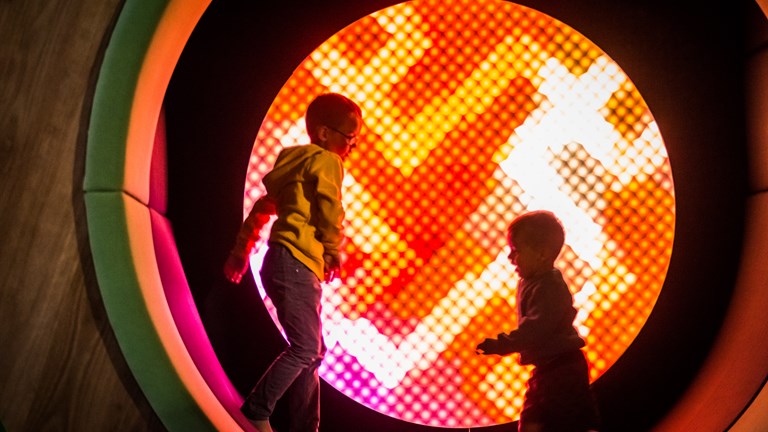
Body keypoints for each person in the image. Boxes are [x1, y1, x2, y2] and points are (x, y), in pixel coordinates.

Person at [223, 92, 362, 432]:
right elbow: (330, 208)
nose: (352, 146)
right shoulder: (327, 161)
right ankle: (257, 408)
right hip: (299, 263)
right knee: (305, 349)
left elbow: (261, 209)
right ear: (325, 133)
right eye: (350, 136)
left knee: (313, 351)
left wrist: (242, 249)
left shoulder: (293, 166)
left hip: (279, 262)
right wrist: (331, 249)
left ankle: (304, 427)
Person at [476, 210, 600, 432]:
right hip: (550, 369)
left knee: (564, 421)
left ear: (542, 254)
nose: (510, 258)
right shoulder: (533, 281)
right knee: (540, 419)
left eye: (516, 251)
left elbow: (535, 330)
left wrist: (502, 344)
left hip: (561, 370)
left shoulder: (549, 288)